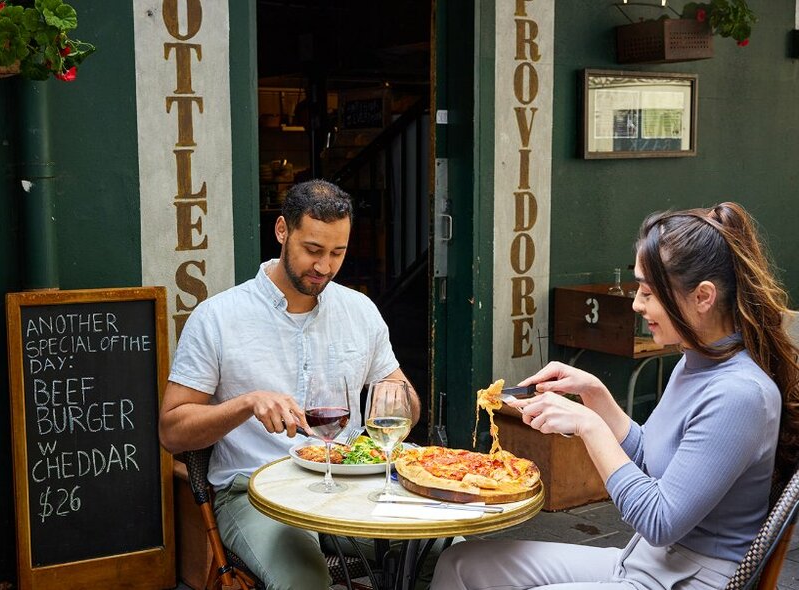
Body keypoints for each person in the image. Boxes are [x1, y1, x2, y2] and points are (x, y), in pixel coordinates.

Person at [432, 202, 799, 590]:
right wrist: (595, 395)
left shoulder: (740, 395)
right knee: (461, 563)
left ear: (703, 297)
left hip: (687, 580)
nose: (637, 304)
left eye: (648, 292)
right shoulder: (695, 362)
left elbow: (659, 520)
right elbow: (649, 459)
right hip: (644, 563)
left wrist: (590, 427)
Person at [158, 179, 422, 590]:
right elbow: (172, 430)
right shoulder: (218, 317)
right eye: (313, 250)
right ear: (282, 231)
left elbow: (401, 396)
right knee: (304, 582)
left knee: (444, 550)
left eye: (338, 253)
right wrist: (246, 403)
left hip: (350, 487)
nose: (324, 267)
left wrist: (398, 404)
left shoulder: (360, 310)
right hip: (255, 494)